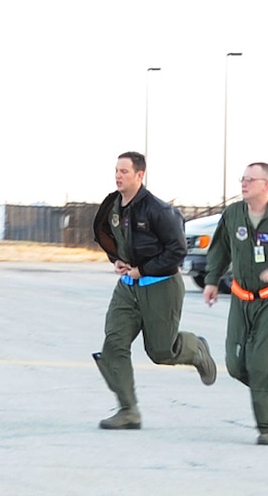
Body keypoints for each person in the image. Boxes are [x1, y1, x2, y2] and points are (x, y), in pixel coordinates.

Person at [89, 150, 217, 428]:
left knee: (161, 351)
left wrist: (144, 269)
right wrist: (117, 260)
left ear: (140, 175)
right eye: (116, 171)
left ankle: (196, 349)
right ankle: (128, 410)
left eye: (124, 171)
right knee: (114, 345)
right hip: (127, 288)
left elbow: (177, 251)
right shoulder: (113, 207)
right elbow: (106, 236)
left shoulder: (158, 210)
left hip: (160, 287)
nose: (118, 176)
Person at [203, 162, 268, 445]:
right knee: (236, 364)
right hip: (241, 298)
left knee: (262, 364)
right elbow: (220, 249)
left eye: (251, 179)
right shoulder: (233, 214)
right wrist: (212, 281)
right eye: (243, 178)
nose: (244, 183)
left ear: (267, 185)